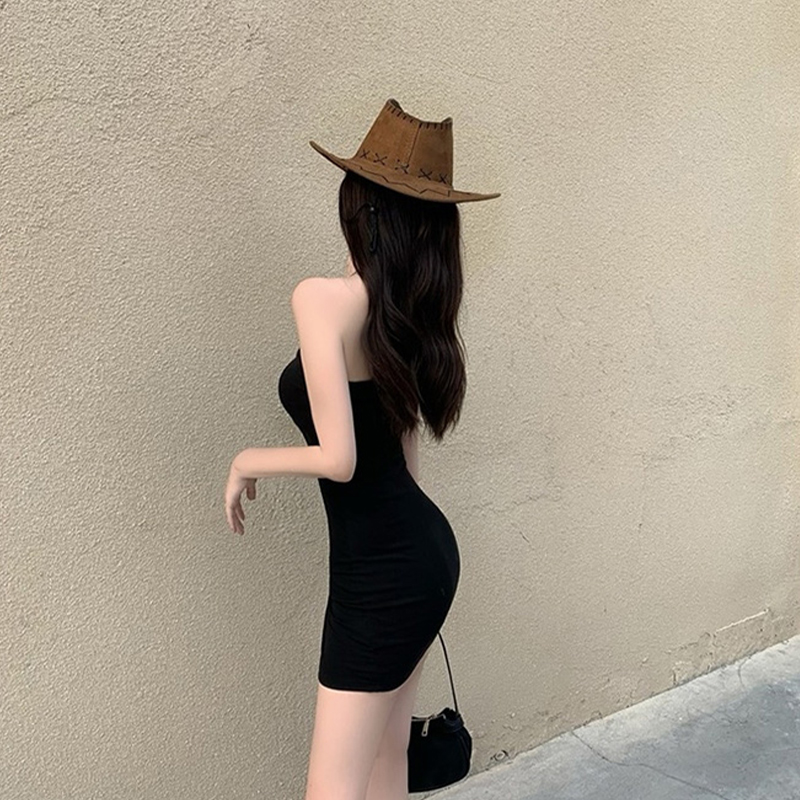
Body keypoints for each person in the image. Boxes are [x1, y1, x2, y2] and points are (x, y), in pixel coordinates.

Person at [224, 98, 500, 800]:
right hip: (420, 557)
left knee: (334, 787)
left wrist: (247, 461)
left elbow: (340, 459)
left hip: (383, 572)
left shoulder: (323, 300)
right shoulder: (404, 314)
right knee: (385, 761)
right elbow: (406, 457)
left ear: (364, 212)